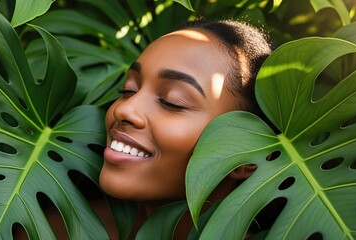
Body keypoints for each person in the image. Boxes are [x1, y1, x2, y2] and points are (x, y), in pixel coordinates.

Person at [98, 18, 273, 239]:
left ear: (246, 158)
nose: (125, 110)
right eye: (128, 90)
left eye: (173, 102)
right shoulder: (55, 228)